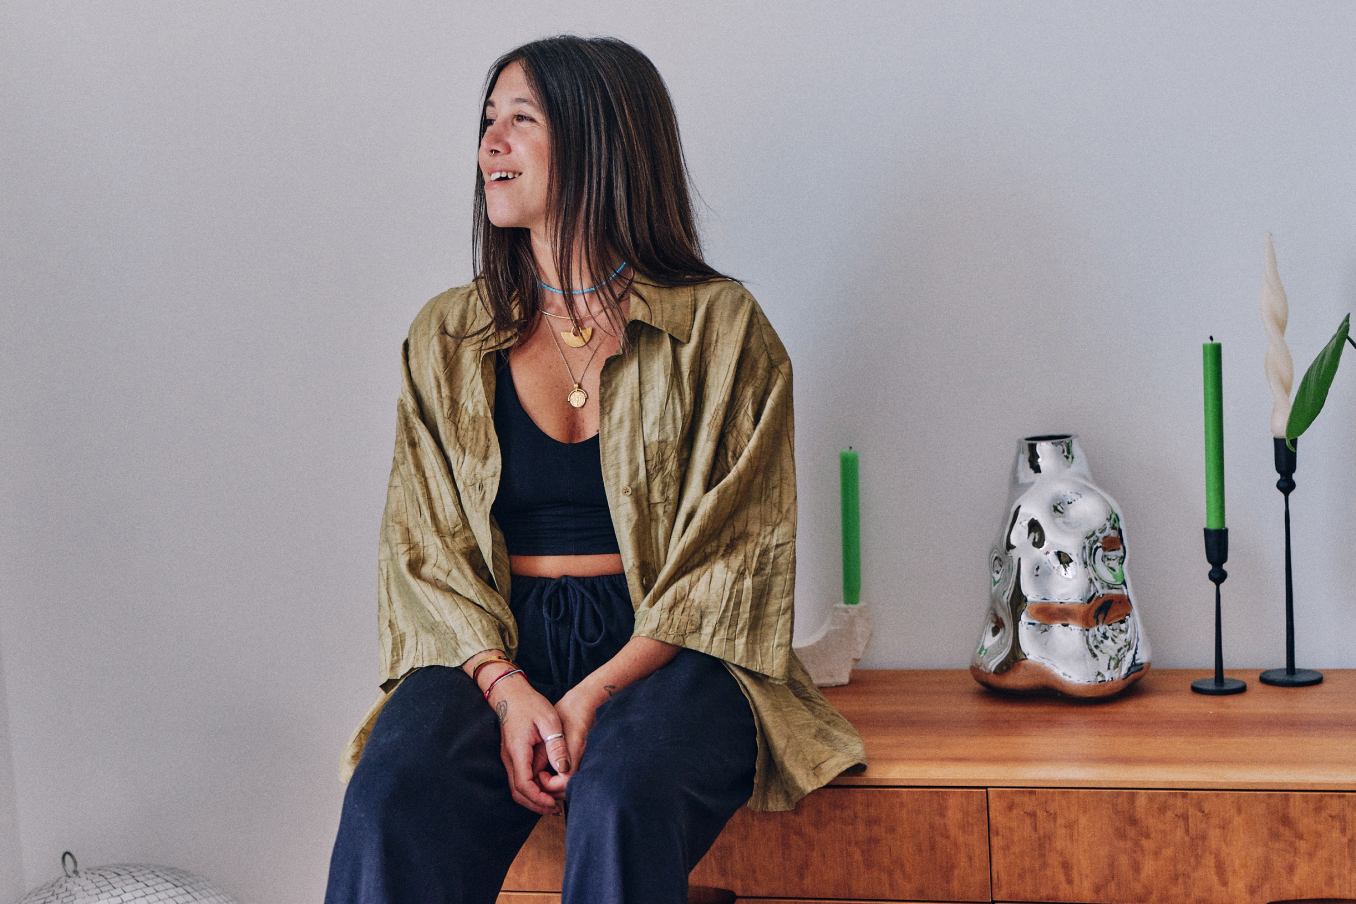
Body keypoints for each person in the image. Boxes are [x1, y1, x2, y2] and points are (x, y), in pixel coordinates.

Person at [323, 34, 866, 904]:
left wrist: (593, 695)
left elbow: (733, 565)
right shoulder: (445, 337)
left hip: (674, 649)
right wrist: (507, 691)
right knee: (392, 794)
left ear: (596, 139)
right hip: (493, 645)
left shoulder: (722, 329)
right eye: (486, 122)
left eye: (520, 121)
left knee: (621, 791)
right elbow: (420, 549)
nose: (488, 145)